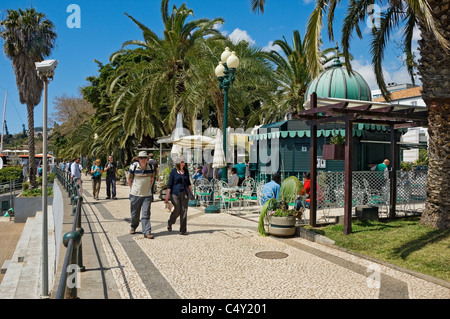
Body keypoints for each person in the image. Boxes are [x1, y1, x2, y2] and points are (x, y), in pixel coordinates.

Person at [127, 151, 155, 239]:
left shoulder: (151, 167)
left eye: (144, 158)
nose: (143, 160)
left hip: (147, 195)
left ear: (147, 158)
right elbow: (129, 180)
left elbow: (152, 179)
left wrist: (147, 189)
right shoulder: (134, 167)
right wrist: (133, 189)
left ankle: (147, 231)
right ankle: (133, 226)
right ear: (138, 159)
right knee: (135, 214)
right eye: (141, 158)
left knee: (146, 213)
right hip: (135, 194)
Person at [165, 156, 192, 235]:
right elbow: (169, 185)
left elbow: (188, 183)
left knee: (184, 211)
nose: (182, 163)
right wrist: (167, 196)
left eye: (183, 162)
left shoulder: (186, 171)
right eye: (181, 162)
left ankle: (183, 230)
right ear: (178, 163)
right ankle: (170, 222)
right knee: (177, 210)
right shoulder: (173, 171)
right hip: (175, 194)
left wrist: (191, 193)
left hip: (185, 193)